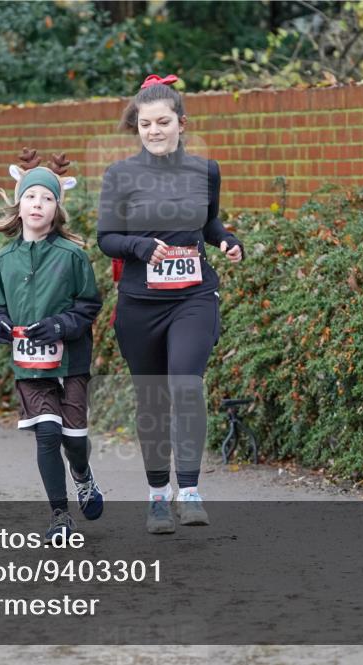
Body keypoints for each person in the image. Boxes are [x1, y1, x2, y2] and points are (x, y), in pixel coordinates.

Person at [97, 74, 243, 534]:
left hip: (194, 298)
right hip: (141, 304)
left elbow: (210, 224)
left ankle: (191, 491)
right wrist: (141, 248)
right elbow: (107, 239)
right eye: (145, 124)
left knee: (184, 383)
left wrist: (227, 241)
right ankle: (158, 496)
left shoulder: (206, 170)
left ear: (181, 122)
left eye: (163, 122)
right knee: (153, 398)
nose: (155, 131)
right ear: (136, 127)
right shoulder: (120, 175)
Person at [0, 148, 104, 541]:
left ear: (57, 209)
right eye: (32, 196)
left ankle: (83, 475)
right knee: (48, 433)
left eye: (48, 198)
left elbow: (89, 306)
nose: (38, 204)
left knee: (73, 438)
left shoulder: (73, 257)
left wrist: (58, 325)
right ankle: (59, 516)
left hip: (70, 359)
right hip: (29, 365)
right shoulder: (4, 259)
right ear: (19, 205)